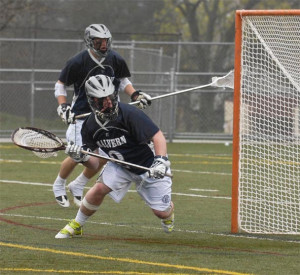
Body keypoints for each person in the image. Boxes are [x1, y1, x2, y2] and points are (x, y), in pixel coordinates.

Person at [55, 75, 174, 238]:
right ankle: (77, 224)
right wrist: (81, 157)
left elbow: (158, 136)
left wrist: (161, 161)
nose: (109, 103)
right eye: (102, 100)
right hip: (120, 165)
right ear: (92, 101)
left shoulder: (130, 114)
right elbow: (94, 164)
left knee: (161, 213)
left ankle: (169, 213)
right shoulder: (90, 125)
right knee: (98, 189)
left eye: (111, 97)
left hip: (148, 163)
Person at [53, 24, 152, 208]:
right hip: (81, 116)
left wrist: (135, 95)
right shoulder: (78, 61)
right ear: (90, 42)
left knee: (105, 155)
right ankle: (59, 184)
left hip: (105, 115)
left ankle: (79, 184)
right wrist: (63, 106)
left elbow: (122, 81)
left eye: (106, 41)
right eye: (99, 42)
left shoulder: (115, 59)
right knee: (79, 154)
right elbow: (60, 85)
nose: (104, 45)